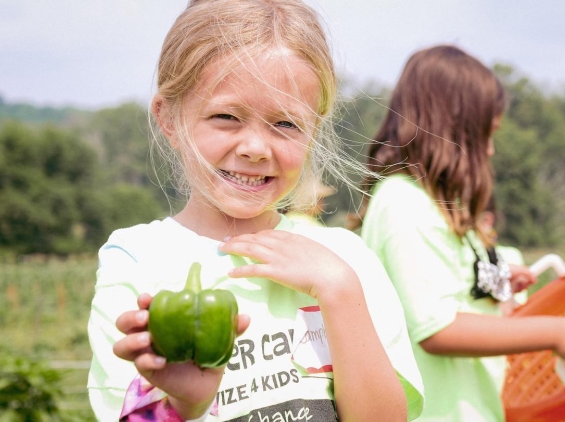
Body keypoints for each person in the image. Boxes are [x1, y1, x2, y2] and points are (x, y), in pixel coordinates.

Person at [86, 1, 424, 421]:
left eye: (285, 124)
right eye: (226, 117)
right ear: (169, 119)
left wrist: (339, 291)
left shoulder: (345, 260)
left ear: (313, 131)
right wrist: (184, 406)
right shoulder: (135, 262)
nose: (255, 148)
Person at [353, 45, 565, 421]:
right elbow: (437, 329)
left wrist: (499, 283)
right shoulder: (403, 205)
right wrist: (557, 332)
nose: (491, 151)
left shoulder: (438, 206)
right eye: (485, 136)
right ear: (452, 131)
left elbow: (455, 288)